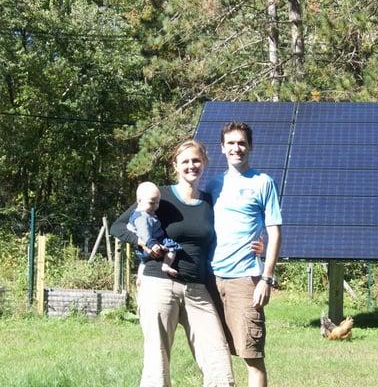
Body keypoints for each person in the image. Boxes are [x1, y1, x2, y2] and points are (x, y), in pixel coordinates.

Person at [111, 140, 257, 387]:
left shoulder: (210, 202)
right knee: (157, 366)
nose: (191, 166)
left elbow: (230, 234)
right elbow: (118, 226)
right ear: (175, 166)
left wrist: (259, 243)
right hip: (159, 284)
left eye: (196, 160)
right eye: (185, 161)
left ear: (205, 163)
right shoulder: (160, 197)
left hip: (197, 290)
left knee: (219, 363)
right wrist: (142, 243)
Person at [206, 121, 283, 387]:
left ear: (250, 147)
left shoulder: (263, 183)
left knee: (252, 356)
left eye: (241, 143)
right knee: (216, 354)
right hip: (212, 281)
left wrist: (266, 278)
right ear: (222, 148)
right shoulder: (213, 185)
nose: (236, 148)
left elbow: (274, 232)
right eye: (231, 143)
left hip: (246, 281)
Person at [127, 181, 180, 285]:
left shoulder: (142, 214)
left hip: (144, 248)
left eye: (158, 202)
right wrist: (153, 244)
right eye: (152, 203)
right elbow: (145, 233)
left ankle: (140, 277)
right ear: (139, 201)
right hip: (151, 243)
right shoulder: (142, 217)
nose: (156, 206)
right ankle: (166, 265)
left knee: (143, 261)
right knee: (172, 248)